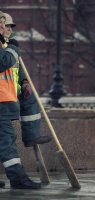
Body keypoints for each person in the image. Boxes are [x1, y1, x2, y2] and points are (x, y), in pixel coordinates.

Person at [0, 11, 40, 189]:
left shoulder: (5, 45)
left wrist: (23, 83)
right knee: (7, 140)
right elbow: (4, 62)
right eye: (2, 25)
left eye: (6, 25)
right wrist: (13, 49)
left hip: (6, 100)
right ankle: (17, 177)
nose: (5, 28)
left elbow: (13, 72)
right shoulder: (8, 48)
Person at [3, 12, 52, 147]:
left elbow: (18, 69)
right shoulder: (6, 45)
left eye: (11, 27)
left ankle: (32, 136)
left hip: (10, 88)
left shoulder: (10, 44)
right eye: (7, 26)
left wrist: (24, 82)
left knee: (30, 97)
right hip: (3, 92)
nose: (9, 29)